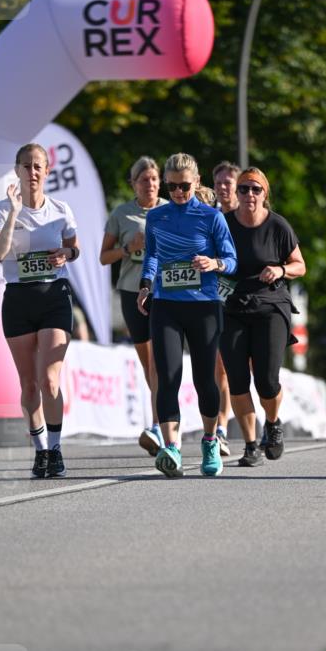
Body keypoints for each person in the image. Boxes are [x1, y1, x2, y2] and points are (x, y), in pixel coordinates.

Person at [137, 152, 237, 478]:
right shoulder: (157, 216)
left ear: (196, 183)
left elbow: (232, 260)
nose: (179, 192)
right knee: (167, 377)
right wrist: (145, 285)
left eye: (185, 186)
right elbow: (151, 255)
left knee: (204, 379)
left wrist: (214, 264)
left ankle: (210, 440)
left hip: (203, 305)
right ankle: (171, 448)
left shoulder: (211, 217)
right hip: (166, 303)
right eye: (173, 186)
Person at [0, 142, 79, 479]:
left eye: (38, 165)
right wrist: (13, 212)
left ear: (47, 170)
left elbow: (75, 247)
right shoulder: (1, 209)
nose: (32, 172)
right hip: (18, 298)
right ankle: (40, 450)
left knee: (49, 379)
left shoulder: (60, 209)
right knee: (28, 385)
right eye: (26, 166)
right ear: (17, 170)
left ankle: (55, 448)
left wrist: (65, 256)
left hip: (54, 294)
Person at [219, 167, 306, 466]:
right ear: (236, 193)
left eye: (256, 189)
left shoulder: (278, 226)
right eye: (243, 189)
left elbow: (299, 265)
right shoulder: (224, 224)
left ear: (265, 193)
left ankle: (272, 422)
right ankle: (250, 444)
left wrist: (281, 270)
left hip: (271, 305)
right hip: (231, 307)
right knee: (238, 379)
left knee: (267, 381)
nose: (249, 195)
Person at [101, 156, 168, 455]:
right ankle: (160, 421)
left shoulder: (171, 210)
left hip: (165, 292)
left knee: (160, 362)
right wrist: (129, 248)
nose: (150, 184)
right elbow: (104, 257)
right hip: (131, 292)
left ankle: (158, 426)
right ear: (133, 184)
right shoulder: (122, 214)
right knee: (149, 364)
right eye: (144, 180)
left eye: (154, 179)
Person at [212, 161, 242, 456]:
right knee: (218, 369)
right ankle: (220, 429)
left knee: (241, 369)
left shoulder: (246, 218)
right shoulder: (209, 217)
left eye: (228, 183)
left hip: (243, 300)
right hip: (214, 298)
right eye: (218, 182)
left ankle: (260, 419)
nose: (223, 188)